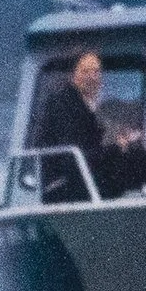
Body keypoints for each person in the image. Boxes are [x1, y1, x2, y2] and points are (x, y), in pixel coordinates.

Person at [26, 51, 107, 202]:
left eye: (96, 71)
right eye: (85, 71)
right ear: (72, 76)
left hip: (80, 182)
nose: (92, 77)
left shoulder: (85, 106)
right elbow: (71, 153)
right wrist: (115, 149)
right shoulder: (64, 104)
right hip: (64, 188)